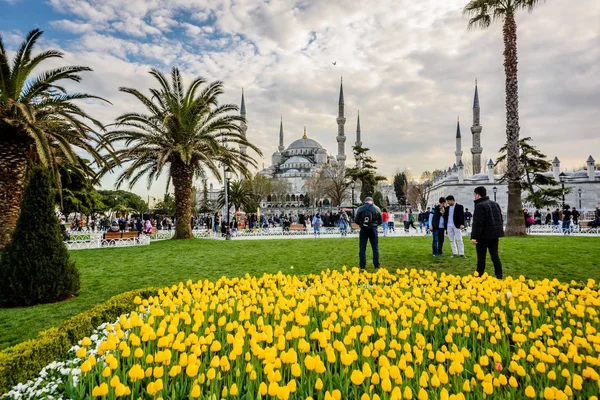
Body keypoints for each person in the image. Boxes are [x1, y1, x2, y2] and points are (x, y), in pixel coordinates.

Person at [471, 186, 504, 279]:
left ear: (477, 194)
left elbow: (478, 223)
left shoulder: (479, 206)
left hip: (483, 235)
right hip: (494, 234)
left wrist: (475, 237)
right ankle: (499, 275)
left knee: (481, 257)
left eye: (475, 195)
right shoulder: (495, 204)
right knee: (495, 255)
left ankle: (479, 275)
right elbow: (500, 219)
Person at [355, 197, 382, 271]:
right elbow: (380, 221)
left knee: (362, 248)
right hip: (373, 229)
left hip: (363, 229)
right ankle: (377, 265)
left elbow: (356, 220)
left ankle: (362, 266)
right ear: (372, 201)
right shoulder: (377, 208)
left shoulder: (360, 209)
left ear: (365, 201)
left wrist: (362, 223)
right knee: (375, 248)